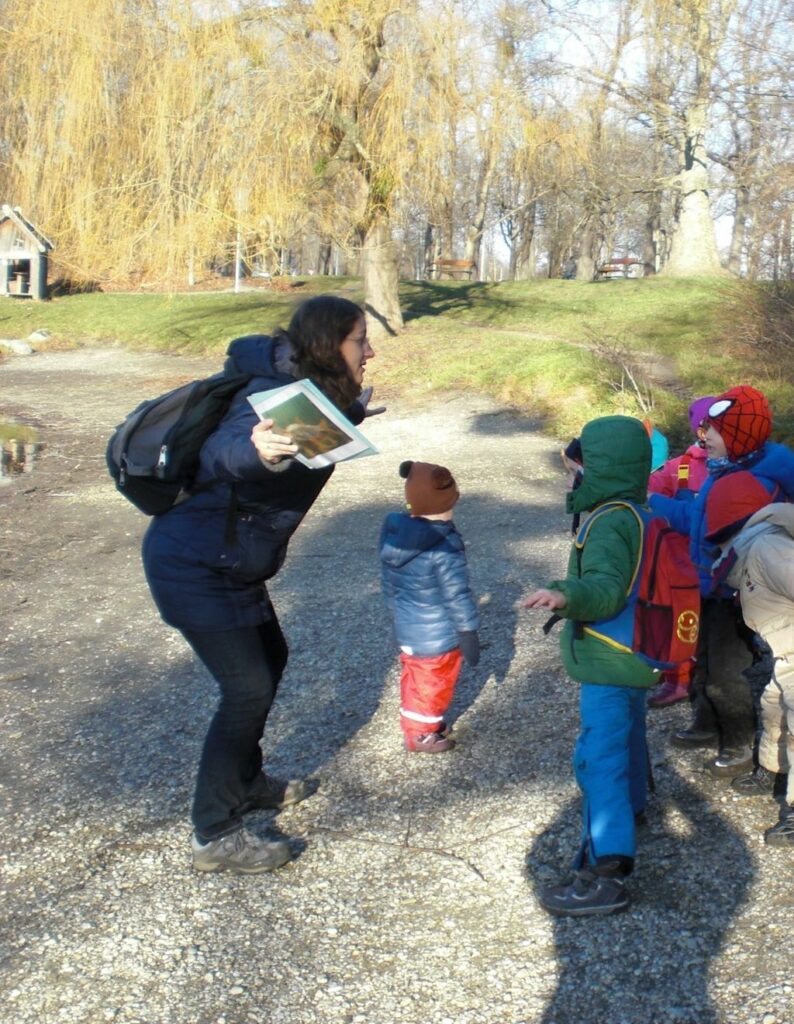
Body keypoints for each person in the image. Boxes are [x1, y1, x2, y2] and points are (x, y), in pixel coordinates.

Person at [142, 294, 379, 874]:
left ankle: (246, 781)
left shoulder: (313, 389)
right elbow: (230, 451)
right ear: (328, 345)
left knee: (271, 659)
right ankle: (214, 832)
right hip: (195, 566)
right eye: (358, 340)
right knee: (246, 687)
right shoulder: (267, 393)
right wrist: (261, 452)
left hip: (230, 564)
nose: (369, 350)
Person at [523, 415, 660, 917]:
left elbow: (603, 591)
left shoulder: (608, 523)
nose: (569, 481)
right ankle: (635, 811)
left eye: (574, 471)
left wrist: (562, 595)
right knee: (628, 738)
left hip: (608, 657)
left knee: (598, 759)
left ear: (597, 471)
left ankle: (606, 868)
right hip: (637, 652)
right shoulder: (637, 511)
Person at [648, 385, 794, 778]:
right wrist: (650, 504)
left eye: (712, 429)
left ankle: (738, 743)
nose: (702, 436)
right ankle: (709, 724)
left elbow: (749, 548)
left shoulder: (752, 484)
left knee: (726, 672)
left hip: (734, 593)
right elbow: (697, 519)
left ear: (739, 434)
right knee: (703, 662)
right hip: (708, 584)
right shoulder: (723, 472)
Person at [705, 471, 794, 847]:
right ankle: (773, 769)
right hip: (786, 650)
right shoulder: (745, 555)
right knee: (772, 705)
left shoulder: (766, 549)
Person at [379, 460, 480, 753]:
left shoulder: (396, 532)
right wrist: (468, 632)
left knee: (415, 677)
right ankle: (420, 734)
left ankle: (420, 722)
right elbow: (456, 594)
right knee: (433, 683)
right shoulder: (445, 548)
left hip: (408, 626)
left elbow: (389, 583)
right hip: (437, 634)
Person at [645, 395, 715, 708]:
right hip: (682, 568)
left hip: (718, 567)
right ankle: (679, 678)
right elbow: (648, 488)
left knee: (707, 628)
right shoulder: (679, 467)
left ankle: (690, 678)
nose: (708, 434)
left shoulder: (733, 470)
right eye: (705, 426)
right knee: (679, 622)